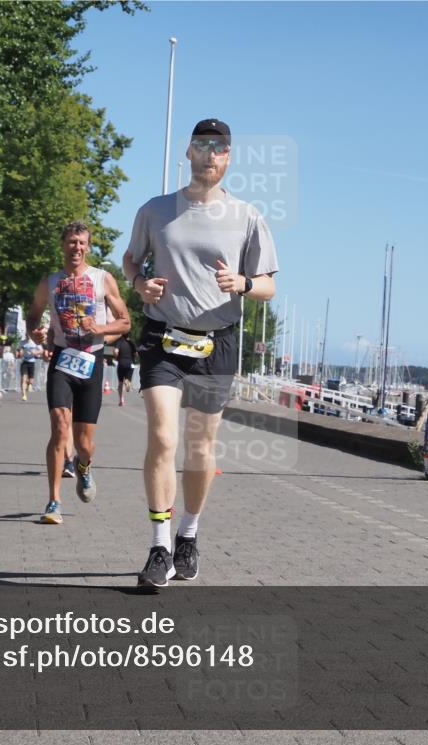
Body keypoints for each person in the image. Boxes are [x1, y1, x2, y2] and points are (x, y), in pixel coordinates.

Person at [122, 118, 278, 587]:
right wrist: (138, 284)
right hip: (163, 336)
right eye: (202, 146)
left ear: (228, 159)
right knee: (163, 439)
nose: (210, 154)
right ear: (187, 153)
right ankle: (159, 546)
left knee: (199, 449)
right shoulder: (155, 210)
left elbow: (269, 286)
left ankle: (188, 534)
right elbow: (131, 259)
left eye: (220, 148)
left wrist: (244, 284)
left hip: (218, 341)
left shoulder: (247, 216)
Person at [28, 221, 130, 524]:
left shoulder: (103, 279)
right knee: (59, 428)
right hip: (62, 358)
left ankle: (84, 467)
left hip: (92, 360)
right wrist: (35, 332)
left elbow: (125, 322)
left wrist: (99, 328)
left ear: (88, 246)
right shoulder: (50, 282)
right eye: (72, 242)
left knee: (84, 443)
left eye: (82, 243)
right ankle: (53, 501)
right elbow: (34, 313)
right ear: (63, 245)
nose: (77, 247)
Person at [113, 332, 137, 406]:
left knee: (120, 383)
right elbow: (137, 354)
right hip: (130, 364)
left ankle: (121, 399)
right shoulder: (132, 343)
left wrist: (116, 356)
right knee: (128, 379)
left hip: (121, 363)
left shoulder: (119, 342)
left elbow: (115, 351)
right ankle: (127, 381)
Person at [18, 337, 42, 401]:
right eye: (26, 334)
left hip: (32, 362)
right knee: (23, 378)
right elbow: (19, 350)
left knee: (31, 380)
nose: (28, 336)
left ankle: (30, 385)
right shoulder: (22, 342)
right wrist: (20, 352)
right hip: (24, 362)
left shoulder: (35, 342)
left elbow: (41, 350)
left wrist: (35, 352)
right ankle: (24, 395)